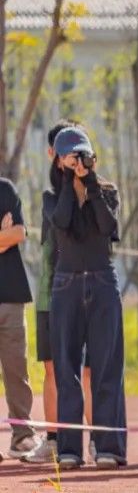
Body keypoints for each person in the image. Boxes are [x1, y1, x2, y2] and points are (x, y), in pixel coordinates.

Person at [49, 126, 126, 470]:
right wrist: (69, 182)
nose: (79, 162)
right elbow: (62, 222)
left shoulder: (106, 192)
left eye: (84, 155)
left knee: (107, 366)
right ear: (59, 161)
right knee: (67, 369)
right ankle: (69, 449)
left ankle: (108, 446)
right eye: (71, 157)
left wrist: (90, 184)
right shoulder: (52, 196)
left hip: (102, 281)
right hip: (66, 284)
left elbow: (108, 227)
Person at [21, 121, 93, 465]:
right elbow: (60, 230)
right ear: (52, 154)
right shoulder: (49, 199)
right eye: (64, 151)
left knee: (90, 371)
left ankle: (101, 441)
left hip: (91, 293)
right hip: (51, 294)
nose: (72, 157)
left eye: (79, 150)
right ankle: (53, 440)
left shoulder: (99, 191)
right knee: (54, 370)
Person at [0, 174, 36, 462]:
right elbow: (7, 238)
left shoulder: (5, 189)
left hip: (11, 295)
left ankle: (22, 435)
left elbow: (19, 233)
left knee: (17, 370)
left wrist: (9, 236)